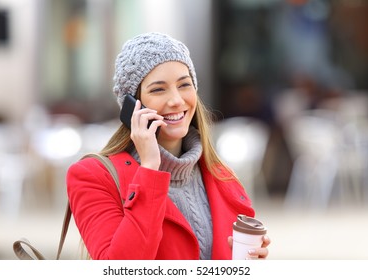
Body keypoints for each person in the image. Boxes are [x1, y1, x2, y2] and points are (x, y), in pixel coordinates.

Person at [66, 32, 271, 260]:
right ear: (131, 106)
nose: (176, 100)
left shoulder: (223, 178)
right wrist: (150, 168)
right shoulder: (92, 176)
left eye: (184, 85)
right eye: (158, 89)